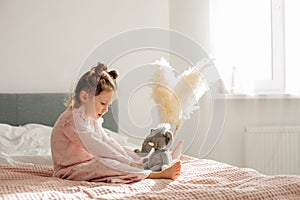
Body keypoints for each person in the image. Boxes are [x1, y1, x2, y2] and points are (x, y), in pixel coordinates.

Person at [51, 62, 182, 183]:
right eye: (103, 103)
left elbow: (106, 141)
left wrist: (129, 158)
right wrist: (127, 162)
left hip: (88, 161)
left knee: (125, 150)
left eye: (108, 105)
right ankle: (152, 174)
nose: (106, 109)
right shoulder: (72, 120)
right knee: (106, 163)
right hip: (70, 169)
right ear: (85, 97)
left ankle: (159, 160)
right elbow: (96, 146)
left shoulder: (91, 117)